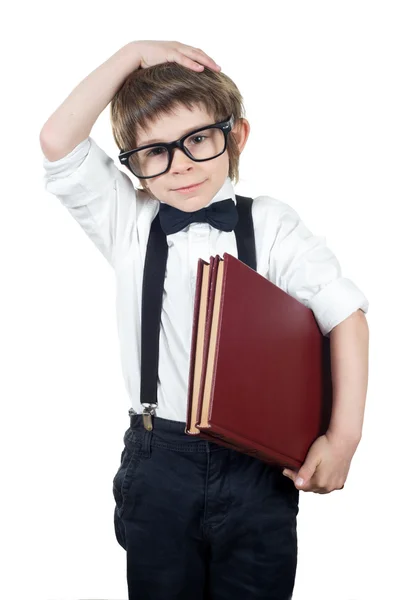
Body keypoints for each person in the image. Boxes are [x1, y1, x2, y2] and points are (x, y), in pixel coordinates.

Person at [40, 40, 369, 600]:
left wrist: (343, 438)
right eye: (155, 151)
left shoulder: (270, 225)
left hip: (257, 466)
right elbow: (56, 140)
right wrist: (132, 53)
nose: (182, 164)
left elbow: (346, 318)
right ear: (135, 166)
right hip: (157, 460)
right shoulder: (128, 224)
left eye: (198, 139)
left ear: (235, 136)